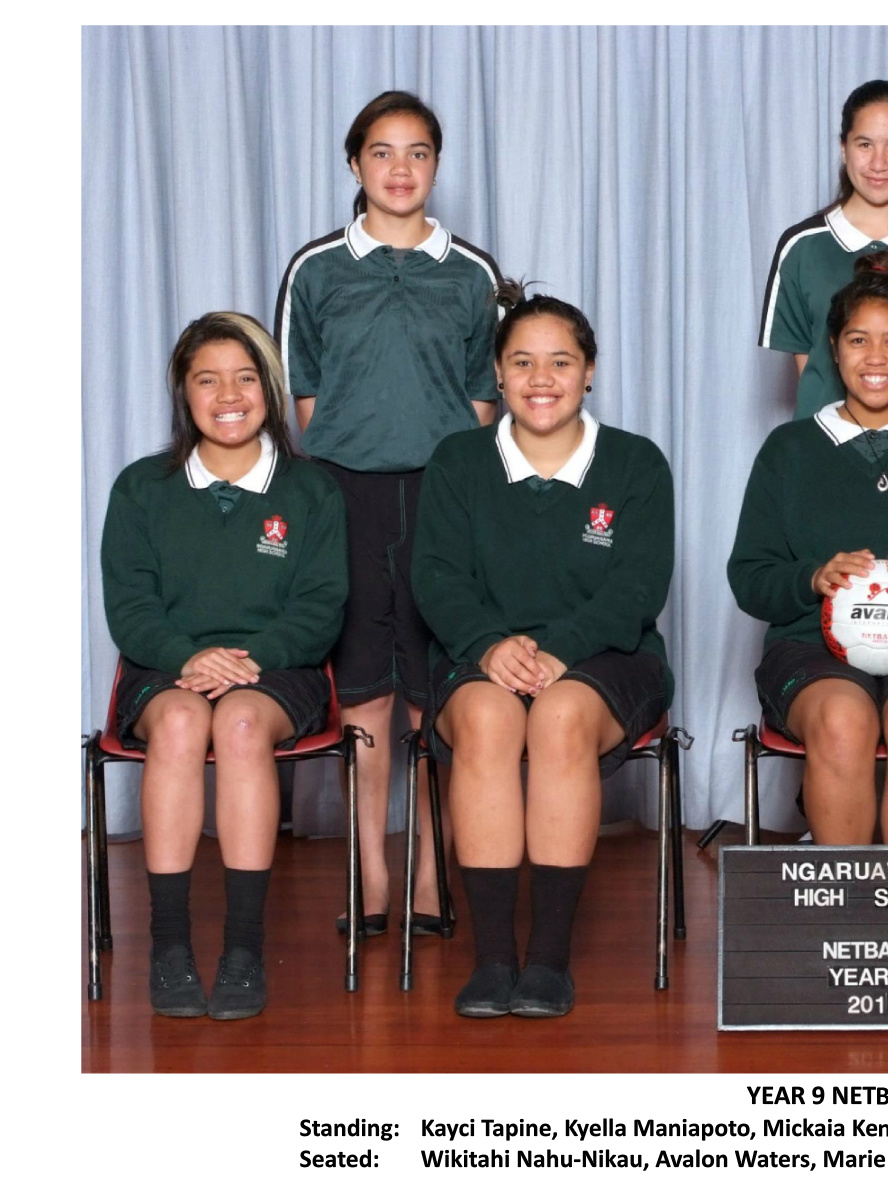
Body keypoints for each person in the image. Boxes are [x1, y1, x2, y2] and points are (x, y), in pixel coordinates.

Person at [411, 283, 675, 1017]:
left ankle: (549, 960)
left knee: (558, 717)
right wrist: (487, 645)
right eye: (522, 362)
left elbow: (638, 588)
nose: (541, 378)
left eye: (561, 361)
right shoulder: (458, 460)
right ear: (498, 374)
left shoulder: (636, 463)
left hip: (607, 656)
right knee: (489, 720)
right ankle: (494, 959)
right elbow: (435, 576)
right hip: (481, 655)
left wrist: (559, 652)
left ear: (589, 371)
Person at [275, 91, 501, 934]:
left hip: (442, 498)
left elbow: (484, 392)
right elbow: (302, 388)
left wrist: (441, 468)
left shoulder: (472, 272)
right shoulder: (315, 268)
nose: (400, 169)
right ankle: (370, 872)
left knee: (436, 689)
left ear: (437, 165)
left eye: (417, 152)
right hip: (345, 493)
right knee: (366, 688)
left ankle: (432, 875)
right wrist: (352, 453)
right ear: (354, 163)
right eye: (381, 152)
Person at [101, 312, 348, 1019]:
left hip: (279, 668)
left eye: (245, 378)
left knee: (239, 724)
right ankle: (171, 946)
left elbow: (320, 609)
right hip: (166, 667)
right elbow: (131, 609)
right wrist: (189, 658)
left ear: (270, 389)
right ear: (184, 392)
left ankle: (243, 949)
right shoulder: (141, 487)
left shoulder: (312, 491)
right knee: (181, 722)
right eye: (207, 380)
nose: (229, 395)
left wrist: (247, 661)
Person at [730, 253, 888, 845]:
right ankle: (846, 896)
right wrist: (813, 577)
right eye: (858, 339)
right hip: (809, 650)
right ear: (834, 349)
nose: (875, 357)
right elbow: (750, 578)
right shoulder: (790, 450)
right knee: (845, 719)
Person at [759, 79, 888, 418]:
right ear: (844, 148)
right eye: (865, 144)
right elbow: (811, 371)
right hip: (826, 445)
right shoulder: (801, 247)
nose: (879, 162)